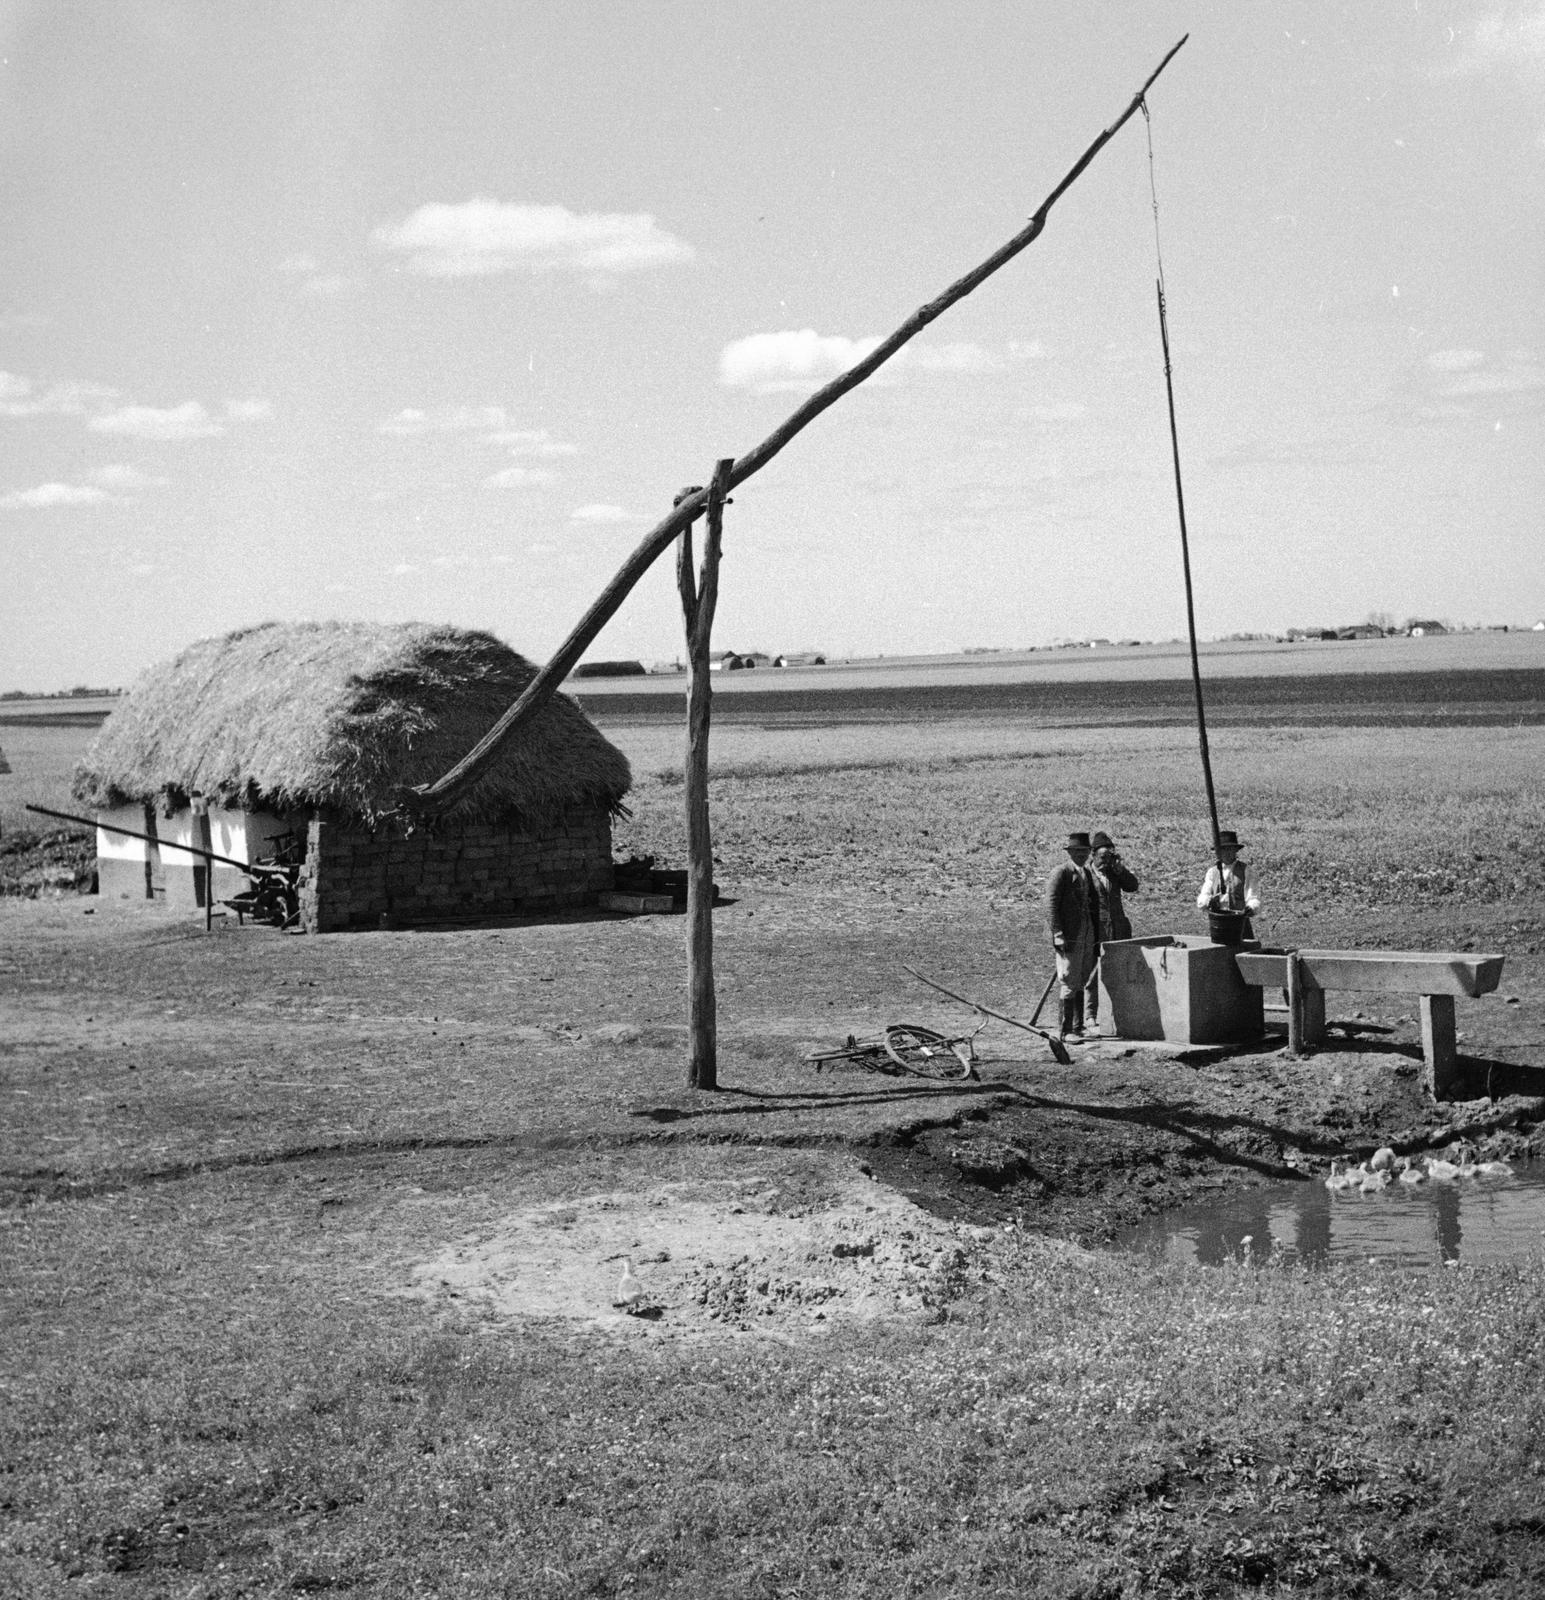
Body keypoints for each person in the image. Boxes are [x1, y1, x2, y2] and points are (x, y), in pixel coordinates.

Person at [1044, 831, 1098, 1041]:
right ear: (1070, 852)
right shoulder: (1061, 872)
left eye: (1085, 851)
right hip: (1068, 934)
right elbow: (1050, 905)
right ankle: (1065, 1030)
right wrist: (1057, 933)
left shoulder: (1086, 873)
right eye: (1077, 851)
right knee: (1068, 979)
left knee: (1082, 978)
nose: (1081, 855)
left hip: (1086, 932)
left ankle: (1079, 1026)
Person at [1084, 832, 1139, 1033]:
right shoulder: (1086, 873)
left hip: (1118, 927)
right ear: (1093, 855)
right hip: (1095, 929)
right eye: (1102, 857)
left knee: (1119, 970)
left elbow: (1133, 886)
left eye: (1109, 857)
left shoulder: (1114, 873)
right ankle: (1090, 1015)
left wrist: (1120, 870)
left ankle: (1119, 1014)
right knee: (1092, 973)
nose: (1105, 861)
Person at [1196, 829, 1260, 939]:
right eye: (1223, 850)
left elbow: (1253, 895)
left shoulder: (1247, 871)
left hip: (1239, 922)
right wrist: (1207, 901)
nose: (1227, 853)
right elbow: (1204, 894)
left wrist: (1251, 907)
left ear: (1235, 850)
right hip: (1219, 922)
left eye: (1230, 849)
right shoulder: (1212, 872)